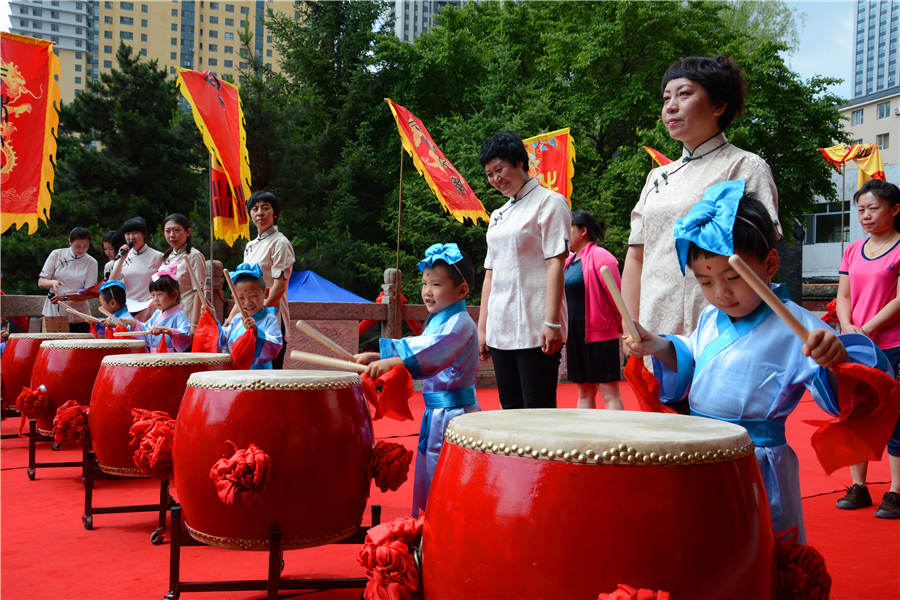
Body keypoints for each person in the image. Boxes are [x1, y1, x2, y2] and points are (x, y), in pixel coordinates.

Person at [623, 180, 889, 544]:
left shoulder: (799, 328)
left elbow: (852, 391)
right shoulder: (711, 318)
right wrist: (659, 346)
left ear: (770, 264)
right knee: (707, 545)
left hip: (757, 459)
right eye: (706, 282)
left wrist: (835, 357)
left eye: (733, 277)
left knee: (758, 547)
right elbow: (692, 357)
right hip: (704, 451)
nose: (721, 293)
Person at [621, 55, 780, 341]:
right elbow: (637, 255)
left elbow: (762, 253)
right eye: (666, 97)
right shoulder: (656, 178)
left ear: (719, 105)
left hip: (721, 327)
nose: (670, 106)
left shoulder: (744, 165)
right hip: (653, 326)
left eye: (684, 94)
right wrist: (629, 322)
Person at [355, 243, 480, 515]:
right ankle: (429, 527)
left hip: (455, 413)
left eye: (436, 284)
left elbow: (432, 352)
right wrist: (378, 354)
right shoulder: (438, 320)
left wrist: (390, 360)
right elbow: (418, 344)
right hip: (438, 412)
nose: (427, 291)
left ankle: (446, 531)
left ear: (462, 290)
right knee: (431, 470)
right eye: (425, 284)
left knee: (447, 473)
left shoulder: (459, 323)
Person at [477, 131, 570, 409]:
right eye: (489, 174)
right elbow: (490, 273)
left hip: (536, 324)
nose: (496, 179)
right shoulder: (497, 215)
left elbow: (556, 262)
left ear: (520, 163)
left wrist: (552, 321)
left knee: (537, 410)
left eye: (500, 169)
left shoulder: (549, 202)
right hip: (501, 326)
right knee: (509, 409)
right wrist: (483, 328)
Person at [835, 179, 900, 519]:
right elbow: (843, 296)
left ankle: (896, 492)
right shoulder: (852, 250)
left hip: (893, 346)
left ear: (895, 209)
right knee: (856, 413)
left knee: (896, 417)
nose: (866, 215)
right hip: (857, 348)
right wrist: (848, 328)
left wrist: (869, 328)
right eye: (861, 209)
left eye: (873, 208)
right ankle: (858, 487)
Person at [564, 210, 624, 409]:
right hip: (575, 334)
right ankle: (586, 439)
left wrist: (621, 327)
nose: (564, 233)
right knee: (584, 391)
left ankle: (616, 439)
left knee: (609, 392)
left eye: (568, 227)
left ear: (583, 231)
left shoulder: (602, 257)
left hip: (600, 334)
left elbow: (617, 299)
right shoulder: (567, 262)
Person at [232, 191, 295, 368]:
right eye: (255, 209)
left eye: (265, 208)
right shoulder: (250, 245)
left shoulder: (280, 243)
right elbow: (242, 288)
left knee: (269, 375)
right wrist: (231, 318)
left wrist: (261, 313)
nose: (259, 213)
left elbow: (279, 286)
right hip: (248, 317)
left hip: (270, 317)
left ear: (275, 214)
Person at [218, 263, 283, 370]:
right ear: (234, 298)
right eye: (241, 298)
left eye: (253, 296)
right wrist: (211, 320)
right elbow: (223, 339)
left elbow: (275, 347)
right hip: (236, 375)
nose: (247, 303)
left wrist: (256, 333)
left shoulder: (269, 318)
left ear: (266, 293)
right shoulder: (238, 318)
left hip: (259, 377)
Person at [38, 226, 99, 333]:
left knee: (78, 348)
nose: (81, 250)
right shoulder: (57, 254)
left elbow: (88, 293)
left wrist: (65, 298)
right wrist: (53, 282)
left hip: (79, 313)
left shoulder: (91, 262)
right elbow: (41, 282)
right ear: (70, 242)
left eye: (85, 246)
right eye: (78, 246)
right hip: (54, 312)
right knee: (52, 347)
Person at [120, 264, 191, 352]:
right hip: (154, 354)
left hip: (171, 357)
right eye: (153, 295)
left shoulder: (179, 314)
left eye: (159, 295)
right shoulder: (157, 313)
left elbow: (185, 334)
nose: (155, 299)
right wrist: (133, 323)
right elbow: (146, 330)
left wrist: (167, 330)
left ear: (174, 294)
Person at [109, 217, 164, 320]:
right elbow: (111, 282)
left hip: (150, 309)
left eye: (135, 233)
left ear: (144, 234)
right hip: (129, 309)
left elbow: (163, 284)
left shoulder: (158, 256)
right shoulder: (123, 256)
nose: (131, 237)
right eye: (128, 234)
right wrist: (121, 260)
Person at [159, 213, 207, 330]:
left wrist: (194, 323)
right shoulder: (168, 257)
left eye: (176, 230)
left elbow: (199, 292)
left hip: (186, 314)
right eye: (168, 231)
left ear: (187, 232)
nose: (171, 235)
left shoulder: (194, 256)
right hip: (168, 316)